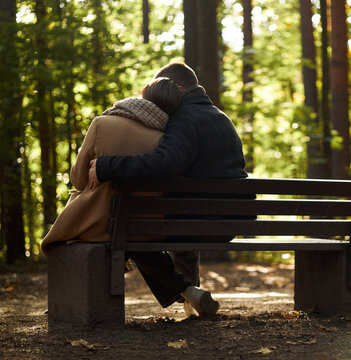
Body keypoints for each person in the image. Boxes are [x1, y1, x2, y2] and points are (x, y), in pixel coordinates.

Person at [87, 62, 248, 318]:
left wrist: (107, 165)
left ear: (180, 89)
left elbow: (164, 164)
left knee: (130, 231)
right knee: (179, 219)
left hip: (201, 220)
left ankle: (185, 290)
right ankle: (191, 300)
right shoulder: (220, 117)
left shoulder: (185, 119)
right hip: (233, 219)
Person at [41, 77, 182, 253]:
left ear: (144, 91)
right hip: (148, 229)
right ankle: (178, 282)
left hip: (101, 226)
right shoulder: (165, 140)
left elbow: (78, 180)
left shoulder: (102, 124)